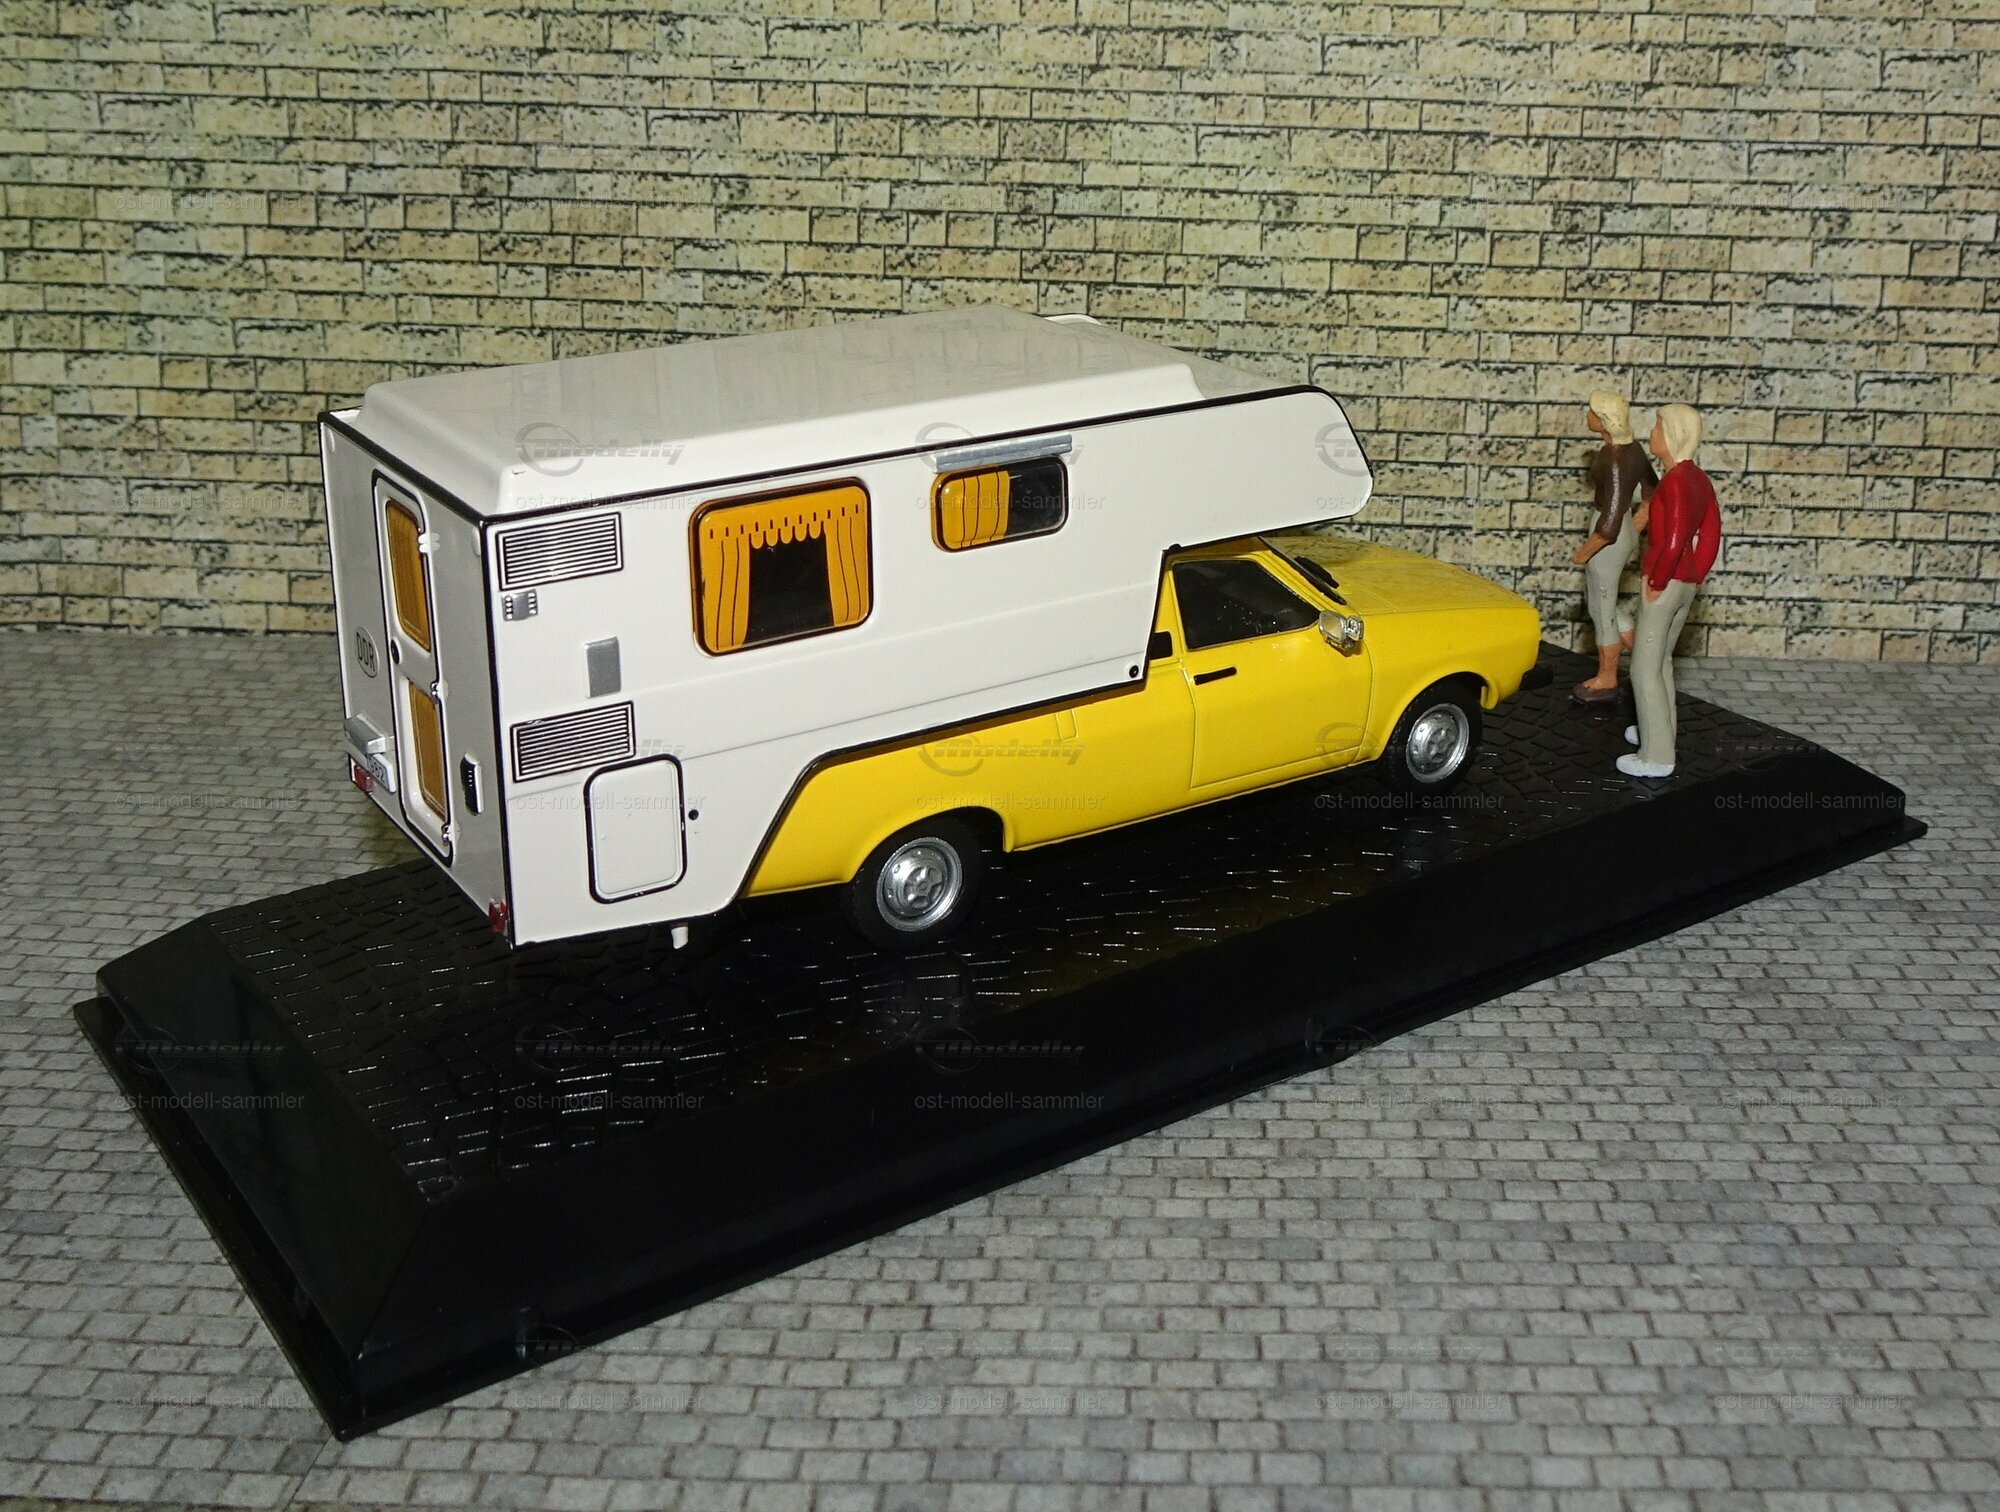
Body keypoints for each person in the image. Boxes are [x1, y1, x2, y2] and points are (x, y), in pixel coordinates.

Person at [1618, 403, 1721, 779]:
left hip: (1664, 583)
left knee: (1643, 669)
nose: (1652, 434)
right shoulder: (1699, 480)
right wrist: (1697, 573)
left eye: (1658, 428)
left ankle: (1656, 755)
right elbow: (1711, 532)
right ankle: (1659, 729)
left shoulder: (1674, 483)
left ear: (1674, 435)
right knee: (1662, 663)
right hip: (1686, 582)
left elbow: (1675, 539)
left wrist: (1658, 580)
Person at [1571, 391, 1657, 703]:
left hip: (1608, 537)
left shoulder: (1615, 460)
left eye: (1592, 412)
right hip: (1623, 530)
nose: (1587, 416)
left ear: (1604, 420)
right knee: (1600, 601)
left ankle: (1607, 676)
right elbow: (1652, 491)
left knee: (1601, 607)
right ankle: (1644, 661)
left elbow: (1608, 523)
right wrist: (1634, 527)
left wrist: (1584, 552)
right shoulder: (1633, 449)